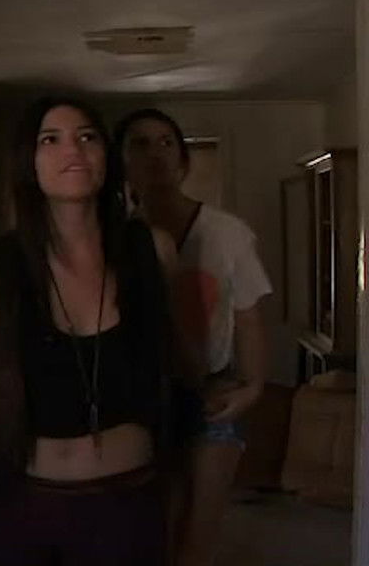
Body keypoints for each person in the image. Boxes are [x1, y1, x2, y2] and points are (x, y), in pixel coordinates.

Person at [0, 97, 180, 566]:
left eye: (86, 137)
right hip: (24, 510)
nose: (71, 149)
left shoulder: (152, 250)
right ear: (29, 163)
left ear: (106, 157)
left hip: (130, 504)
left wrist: (243, 384)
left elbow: (179, 365)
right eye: (50, 139)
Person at [115, 108, 272, 566]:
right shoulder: (116, 238)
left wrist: (254, 386)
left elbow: (248, 316)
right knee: (152, 533)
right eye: (140, 144)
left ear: (183, 159)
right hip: (142, 397)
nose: (155, 154)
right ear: (120, 160)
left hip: (210, 392)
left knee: (197, 540)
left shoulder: (227, 233)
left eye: (166, 142)